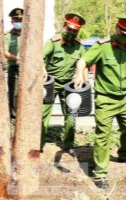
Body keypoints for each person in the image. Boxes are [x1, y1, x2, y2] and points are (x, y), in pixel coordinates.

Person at [74, 14, 126, 189]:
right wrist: (79, 74)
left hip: (125, 98)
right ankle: (100, 174)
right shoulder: (103, 46)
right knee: (103, 136)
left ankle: (124, 154)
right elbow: (82, 61)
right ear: (117, 28)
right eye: (122, 32)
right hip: (106, 98)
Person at [41, 13, 86, 154]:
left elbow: (83, 62)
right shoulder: (53, 42)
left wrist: (83, 79)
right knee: (43, 114)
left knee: (71, 115)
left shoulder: (79, 46)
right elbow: (40, 57)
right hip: (50, 83)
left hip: (69, 84)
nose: (71, 32)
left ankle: (69, 144)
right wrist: (42, 70)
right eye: (69, 29)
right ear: (64, 26)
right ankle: (38, 144)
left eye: (75, 31)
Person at [4, 8, 23, 121]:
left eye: (19, 19)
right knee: (14, 92)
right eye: (15, 19)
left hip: (27, 68)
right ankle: (14, 116)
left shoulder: (30, 34)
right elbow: (5, 53)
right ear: (11, 21)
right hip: (14, 67)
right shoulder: (7, 35)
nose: (17, 21)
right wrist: (18, 58)